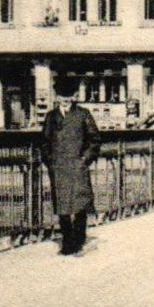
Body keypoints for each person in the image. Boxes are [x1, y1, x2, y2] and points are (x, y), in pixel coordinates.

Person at [41, 76, 101, 256]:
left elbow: (95, 139)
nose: (65, 99)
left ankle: (79, 238)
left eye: (68, 96)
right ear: (57, 97)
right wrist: (50, 161)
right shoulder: (51, 117)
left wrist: (85, 159)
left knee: (80, 203)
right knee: (62, 206)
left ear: (74, 96)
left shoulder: (83, 114)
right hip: (58, 167)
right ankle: (67, 241)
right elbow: (44, 142)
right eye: (61, 96)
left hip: (77, 164)